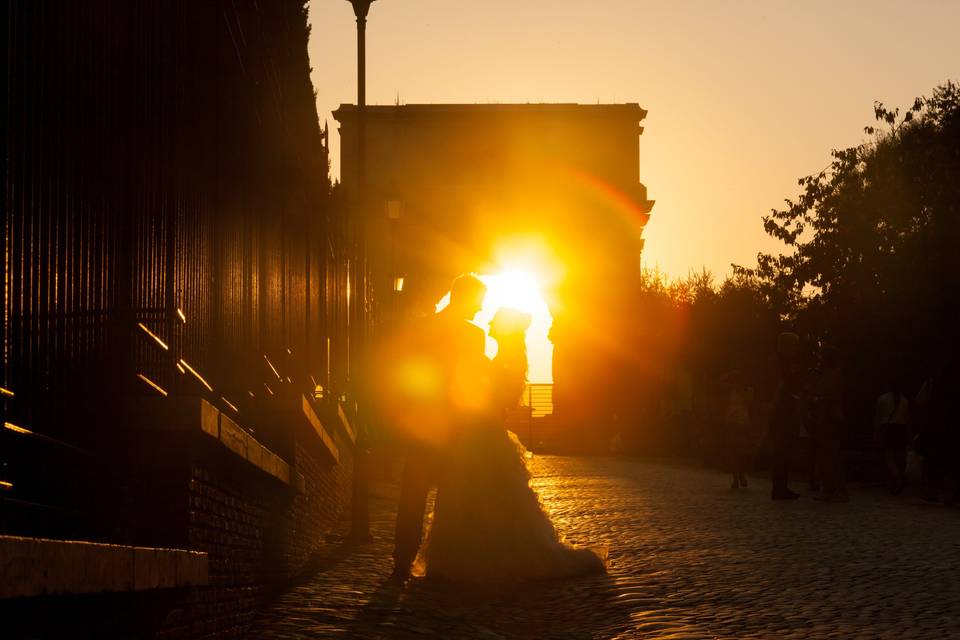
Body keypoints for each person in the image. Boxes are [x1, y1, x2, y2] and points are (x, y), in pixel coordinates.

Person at [415, 307, 606, 583]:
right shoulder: (503, 357)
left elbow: (500, 396)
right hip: (477, 433)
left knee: (485, 496)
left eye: (494, 323)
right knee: (476, 496)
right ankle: (467, 560)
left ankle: (477, 561)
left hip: (485, 434)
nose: (489, 326)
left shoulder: (508, 359)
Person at [389, 273, 488, 582]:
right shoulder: (473, 336)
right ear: (465, 297)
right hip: (455, 426)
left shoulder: (423, 327)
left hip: (423, 423)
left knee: (413, 496)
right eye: (478, 302)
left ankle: (402, 561)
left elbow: (408, 374)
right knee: (453, 494)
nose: (479, 309)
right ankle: (447, 562)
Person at [812, 347, 848, 503]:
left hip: (828, 419)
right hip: (832, 418)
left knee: (829, 456)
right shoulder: (837, 373)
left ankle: (833, 489)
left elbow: (828, 397)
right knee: (831, 455)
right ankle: (831, 489)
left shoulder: (830, 375)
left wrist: (819, 407)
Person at [770, 332, 803, 500]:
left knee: (785, 450)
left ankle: (781, 486)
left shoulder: (785, 362)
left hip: (785, 410)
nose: (796, 349)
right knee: (782, 450)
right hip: (783, 411)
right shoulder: (781, 364)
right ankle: (779, 488)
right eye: (794, 345)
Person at [874, 375, 910, 494]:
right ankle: (897, 480)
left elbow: (878, 417)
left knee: (889, 457)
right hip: (901, 428)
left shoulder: (883, 399)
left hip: (888, 428)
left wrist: (877, 431)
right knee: (900, 457)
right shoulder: (905, 400)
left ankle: (897, 479)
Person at [722, 371, 753, 489]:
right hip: (731, 423)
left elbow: (750, 403)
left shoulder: (748, 390)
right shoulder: (731, 391)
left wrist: (741, 391)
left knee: (741, 451)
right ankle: (735, 478)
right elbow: (727, 406)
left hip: (743, 423)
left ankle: (742, 475)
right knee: (732, 451)